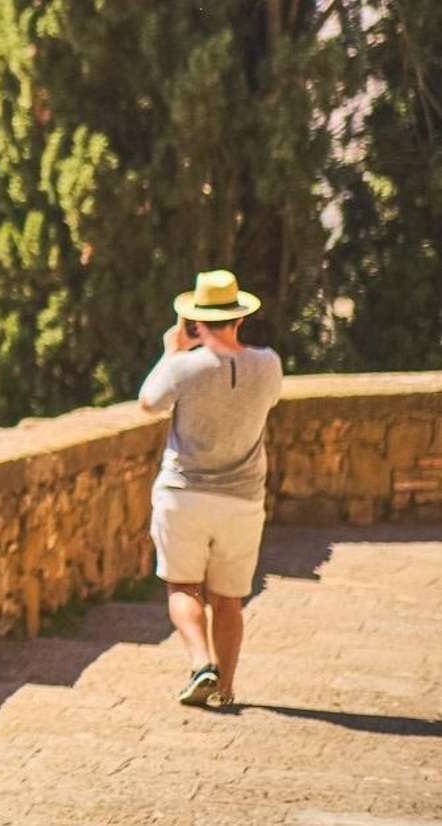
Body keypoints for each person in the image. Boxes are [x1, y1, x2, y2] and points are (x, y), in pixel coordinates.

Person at [138, 269, 283, 709]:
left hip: (184, 495)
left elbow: (148, 403)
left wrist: (172, 351)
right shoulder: (268, 364)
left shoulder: (185, 367)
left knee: (183, 587)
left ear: (196, 322)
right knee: (229, 600)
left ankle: (202, 663)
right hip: (242, 500)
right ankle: (227, 688)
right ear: (239, 318)